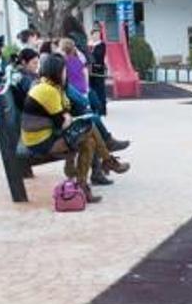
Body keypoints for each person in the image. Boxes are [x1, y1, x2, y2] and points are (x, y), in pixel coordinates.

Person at [21, 54, 129, 202]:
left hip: (44, 136)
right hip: (40, 143)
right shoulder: (48, 91)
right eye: (64, 71)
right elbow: (63, 122)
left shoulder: (49, 86)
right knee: (89, 126)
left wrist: (67, 117)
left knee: (89, 141)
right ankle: (107, 161)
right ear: (56, 73)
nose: (67, 74)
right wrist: (67, 118)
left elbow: (66, 113)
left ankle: (85, 185)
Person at [88, 27, 108, 116]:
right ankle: (94, 108)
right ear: (91, 35)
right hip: (90, 71)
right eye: (95, 34)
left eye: (98, 34)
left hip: (99, 70)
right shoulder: (89, 45)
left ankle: (102, 109)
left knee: (100, 90)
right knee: (92, 90)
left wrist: (91, 54)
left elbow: (98, 56)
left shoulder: (101, 45)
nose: (97, 36)